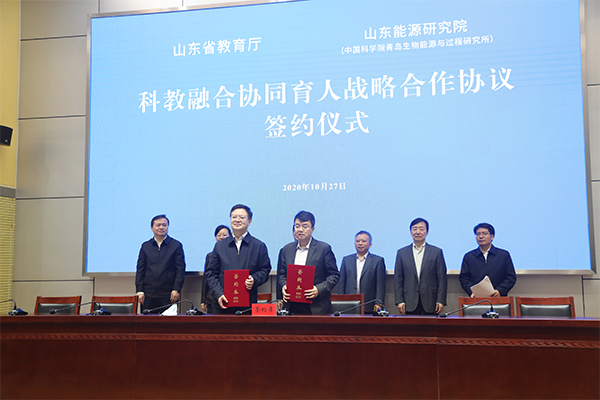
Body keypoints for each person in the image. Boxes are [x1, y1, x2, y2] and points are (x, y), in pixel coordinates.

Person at [204, 204, 271, 314]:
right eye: (234, 217)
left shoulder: (259, 246)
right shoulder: (220, 246)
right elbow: (211, 273)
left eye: (242, 217)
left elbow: (265, 270)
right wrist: (219, 294)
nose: (237, 220)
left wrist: (254, 279)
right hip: (222, 304)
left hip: (247, 305)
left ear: (249, 221)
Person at [278, 211, 339, 314]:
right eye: (297, 226)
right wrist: (284, 286)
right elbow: (282, 274)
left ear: (312, 229)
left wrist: (318, 289)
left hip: (317, 306)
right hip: (292, 305)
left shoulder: (323, 249)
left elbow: (334, 275)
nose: (300, 229)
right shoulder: (286, 249)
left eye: (305, 226)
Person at [394, 218, 447, 315]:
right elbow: (398, 279)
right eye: (414, 229)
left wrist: (440, 300)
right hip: (409, 301)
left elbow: (442, 279)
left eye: (421, 229)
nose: (418, 232)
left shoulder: (436, 252)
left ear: (427, 232)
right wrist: (399, 301)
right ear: (410, 232)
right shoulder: (402, 253)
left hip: (431, 300)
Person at [135, 214, 186, 313]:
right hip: (148, 294)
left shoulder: (176, 245)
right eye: (158, 225)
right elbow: (140, 269)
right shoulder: (145, 246)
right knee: (147, 321)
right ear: (152, 228)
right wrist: (139, 290)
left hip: (168, 294)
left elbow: (180, 270)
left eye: (164, 225)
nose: (161, 227)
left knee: (168, 322)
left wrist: (176, 289)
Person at [459, 222, 516, 297]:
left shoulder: (503, 255)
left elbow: (510, 277)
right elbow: (464, 278)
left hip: (499, 298)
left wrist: (500, 290)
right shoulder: (469, 256)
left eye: (484, 233)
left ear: (492, 236)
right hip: (476, 298)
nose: (481, 236)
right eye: (478, 234)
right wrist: (472, 291)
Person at [338, 231, 386, 314]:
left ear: (370, 244)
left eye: (364, 241)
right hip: (349, 304)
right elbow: (342, 283)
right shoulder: (346, 260)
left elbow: (380, 284)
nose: (360, 243)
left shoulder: (377, 260)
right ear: (354, 243)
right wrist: (340, 301)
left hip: (369, 303)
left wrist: (378, 302)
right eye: (357, 241)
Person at [201, 225, 231, 314]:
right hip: (212, 297)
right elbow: (206, 278)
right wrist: (203, 300)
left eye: (225, 235)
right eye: (219, 235)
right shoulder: (210, 256)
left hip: (230, 296)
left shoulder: (234, 254)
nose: (221, 237)